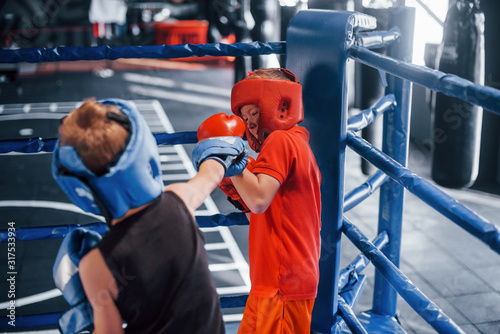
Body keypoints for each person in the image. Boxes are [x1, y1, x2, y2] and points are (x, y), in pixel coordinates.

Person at [51, 98, 247, 334]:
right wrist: (222, 147)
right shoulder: (179, 200)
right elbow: (211, 174)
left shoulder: (95, 266)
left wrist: (87, 313)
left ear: (79, 186)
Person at [227, 68, 322, 333]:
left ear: (280, 105)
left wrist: (228, 159)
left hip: (282, 285)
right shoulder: (294, 144)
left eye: (254, 113)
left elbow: (258, 200)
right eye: (244, 117)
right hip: (273, 282)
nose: (250, 124)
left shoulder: (282, 140)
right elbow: (259, 213)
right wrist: (235, 185)